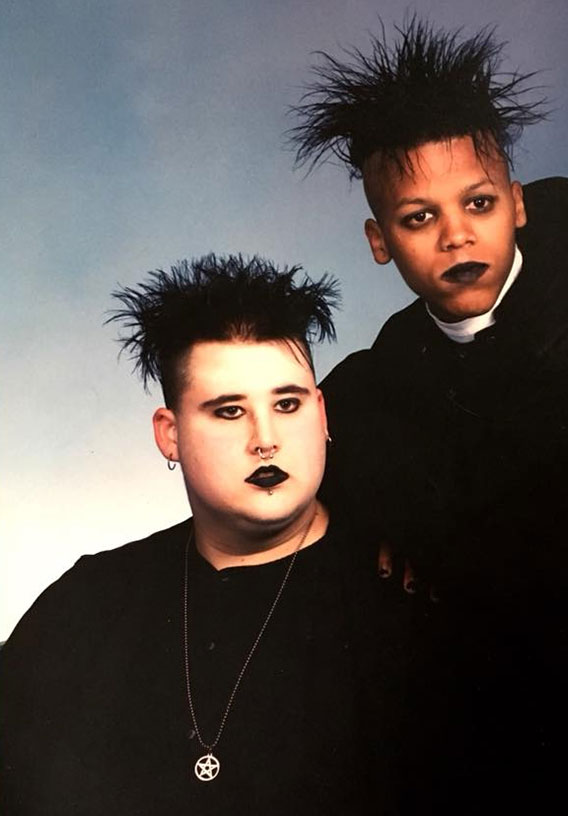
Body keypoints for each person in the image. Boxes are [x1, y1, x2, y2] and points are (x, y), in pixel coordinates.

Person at [290, 17, 568, 806]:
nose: (456, 236)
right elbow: (341, 424)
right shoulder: (400, 354)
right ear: (380, 241)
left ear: (517, 205)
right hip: (518, 711)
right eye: (419, 218)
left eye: (477, 203)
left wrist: (422, 521)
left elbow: (547, 492)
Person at [0, 254, 422, 815]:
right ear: (169, 434)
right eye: (228, 411)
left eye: (287, 404)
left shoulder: (406, 596)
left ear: (321, 415)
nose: (265, 438)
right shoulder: (89, 600)